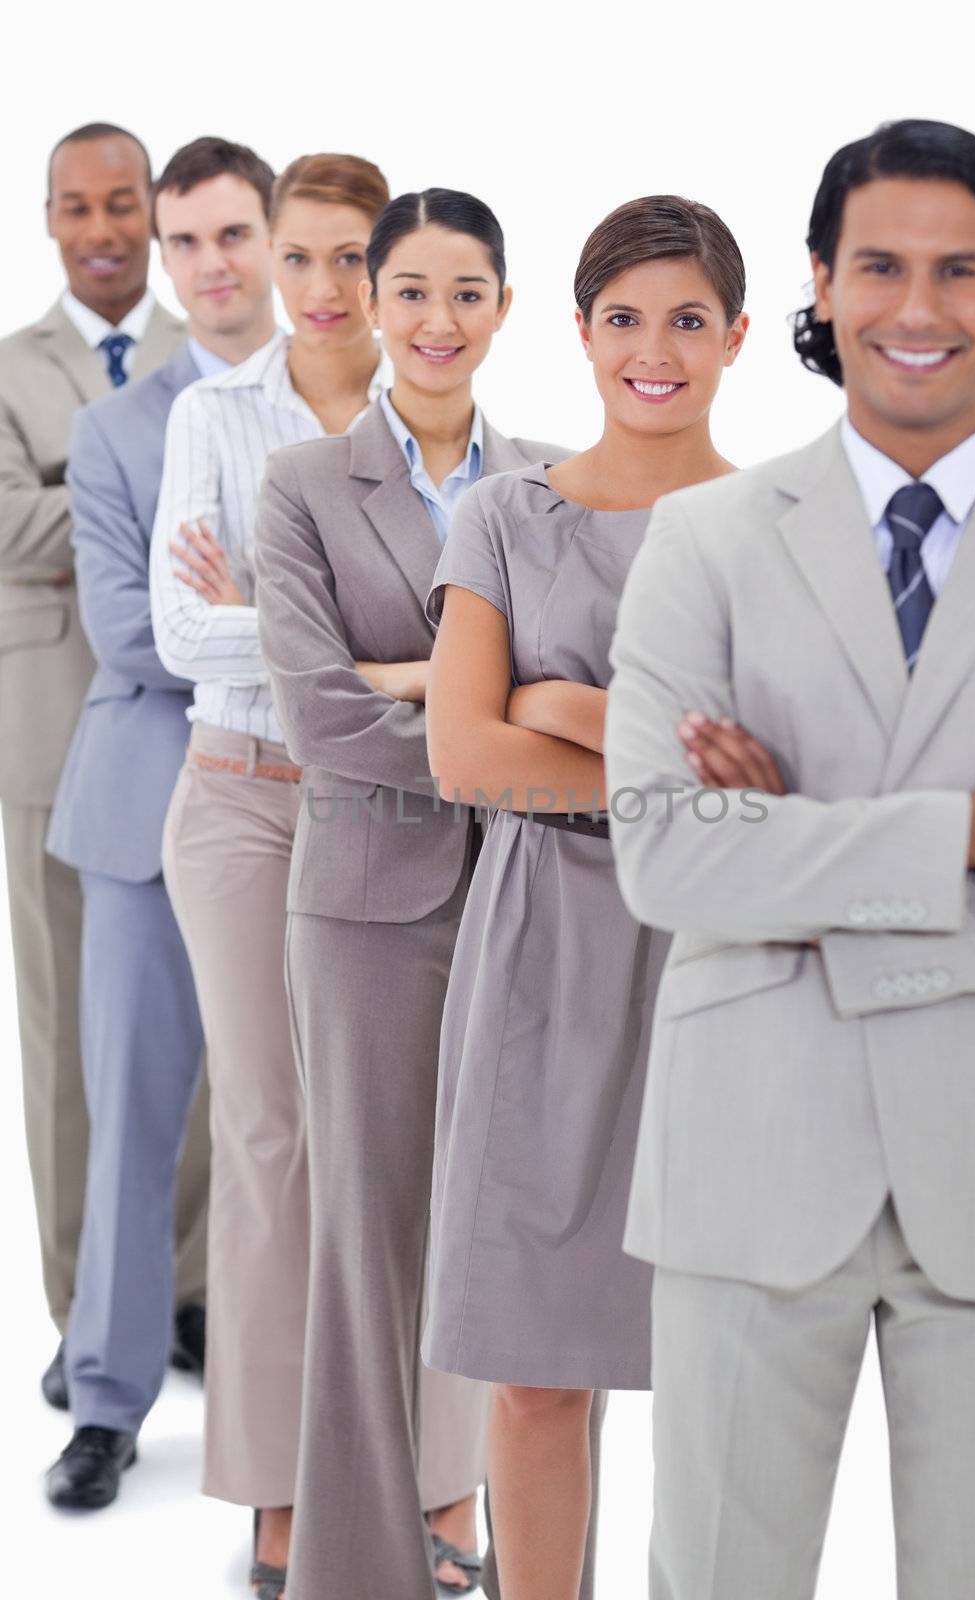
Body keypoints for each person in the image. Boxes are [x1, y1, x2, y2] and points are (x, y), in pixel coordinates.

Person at [605, 119, 975, 1599]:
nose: (917, 309)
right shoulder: (703, 537)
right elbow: (667, 862)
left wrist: (793, 845)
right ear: (819, 283)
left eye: (957, 270)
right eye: (880, 266)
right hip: (751, 1156)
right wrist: (972, 835)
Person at [423, 196, 748, 1600]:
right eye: (624, 317)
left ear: (739, 335)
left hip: (726, 967)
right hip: (543, 961)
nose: (653, 349)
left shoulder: (777, 526)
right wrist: (651, 749)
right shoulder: (504, 512)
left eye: (687, 319)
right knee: (539, 1378)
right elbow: (461, 753)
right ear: (581, 331)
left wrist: (564, 705)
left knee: (725, 1384)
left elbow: (786, 792)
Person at [254, 187, 570, 1600]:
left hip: (530, 901)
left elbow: (599, 703)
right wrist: (491, 725)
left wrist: (449, 704)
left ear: (504, 311)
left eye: (470, 293)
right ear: (372, 306)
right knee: (365, 1261)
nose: (440, 321)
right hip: (368, 917)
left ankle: (523, 1553)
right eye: (415, 292)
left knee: (519, 1252)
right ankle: (357, 1574)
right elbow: (319, 721)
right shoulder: (303, 487)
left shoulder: (550, 484)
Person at [148, 150, 396, 1597]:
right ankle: (279, 1497)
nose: (317, 288)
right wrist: (361, 650)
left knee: (394, 1142)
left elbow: (463, 645)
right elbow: (186, 637)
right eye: (296, 258)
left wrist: (280, 615)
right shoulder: (212, 413)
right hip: (239, 804)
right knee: (268, 1144)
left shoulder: (432, 408)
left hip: (383, 810)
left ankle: (424, 1483)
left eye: (348, 258)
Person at [42, 136, 277, 1513]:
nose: (207, 264)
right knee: (130, 1120)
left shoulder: (341, 409)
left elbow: (393, 617)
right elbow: (134, 638)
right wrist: (290, 626)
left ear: (280, 234)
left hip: (306, 810)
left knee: (282, 1121)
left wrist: (239, 603)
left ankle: (286, 1405)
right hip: (146, 810)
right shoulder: (121, 428)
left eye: (230, 234)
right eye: (183, 242)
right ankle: (109, 1401)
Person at [0, 121, 207, 1411]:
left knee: (198, 1031)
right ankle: (87, 1311)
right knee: (68, 1035)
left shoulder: (217, 355)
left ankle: (185, 1291)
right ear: (51, 222)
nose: (105, 227)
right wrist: (132, 498)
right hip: (47, 732)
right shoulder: (12, 366)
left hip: (193, 729)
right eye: (77, 206)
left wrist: (88, 493)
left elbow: (243, 508)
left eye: (125, 202)